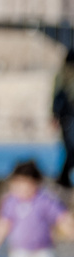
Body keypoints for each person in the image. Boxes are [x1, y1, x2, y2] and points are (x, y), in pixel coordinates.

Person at [0, 159, 67, 257]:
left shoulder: (44, 200)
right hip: (19, 251)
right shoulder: (11, 202)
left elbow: (62, 218)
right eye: (18, 184)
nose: (22, 189)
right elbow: (3, 223)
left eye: (27, 184)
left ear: (37, 183)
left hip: (43, 250)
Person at [54, 46, 73, 188]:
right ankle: (63, 177)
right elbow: (57, 97)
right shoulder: (63, 75)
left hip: (66, 115)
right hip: (68, 115)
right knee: (71, 147)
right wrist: (54, 115)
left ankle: (64, 177)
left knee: (70, 147)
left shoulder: (61, 74)